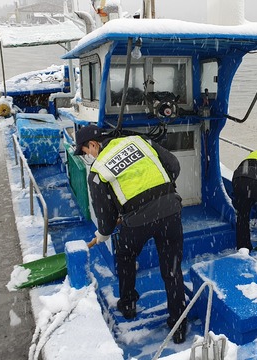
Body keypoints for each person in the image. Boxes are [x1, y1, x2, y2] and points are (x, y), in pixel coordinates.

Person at [74, 125, 187, 344]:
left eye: (86, 150)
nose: (87, 155)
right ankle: (179, 323)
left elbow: (105, 216)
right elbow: (174, 165)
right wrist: (163, 193)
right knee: (172, 269)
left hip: (137, 221)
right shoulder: (139, 141)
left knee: (125, 255)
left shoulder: (99, 172)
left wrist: (104, 234)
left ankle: (128, 304)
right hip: (171, 210)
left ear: (94, 144)